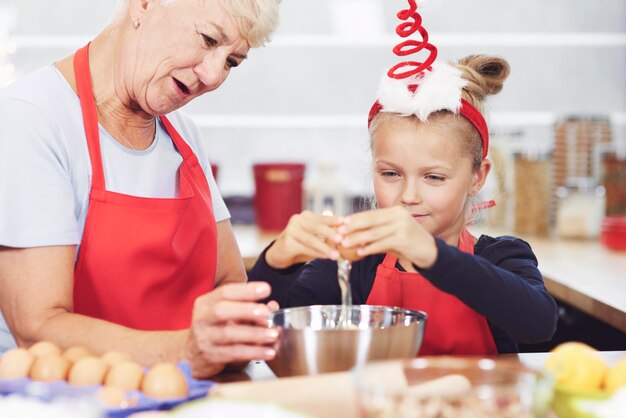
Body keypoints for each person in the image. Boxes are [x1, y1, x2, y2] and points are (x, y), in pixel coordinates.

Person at [249, 0, 558, 354]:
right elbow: (260, 324)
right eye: (391, 173)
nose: (409, 195)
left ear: (477, 177)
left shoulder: (502, 256)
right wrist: (278, 260)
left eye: (434, 178)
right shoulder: (354, 265)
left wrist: (431, 254)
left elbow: (539, 324)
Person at [0, 0, 281, 378]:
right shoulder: (30, 121)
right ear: (144, 5)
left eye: (232, 62)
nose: (215, 76)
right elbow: (38, 328)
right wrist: (182, 351)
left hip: (185, 392)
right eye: (208, 38)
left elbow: (227, 281)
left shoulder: (182, 134)